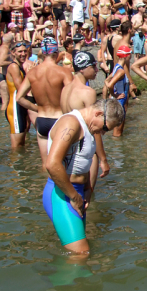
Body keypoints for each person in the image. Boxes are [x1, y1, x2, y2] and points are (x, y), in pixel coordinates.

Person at [43, 98, 124, 255]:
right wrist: (74, 196)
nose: (103, 133)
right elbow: (52, 164)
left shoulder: (89, 127)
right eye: (106, 128)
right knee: (80, 254)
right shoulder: (71, 124)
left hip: (77, 193)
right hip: (62, 194)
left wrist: (87, 189)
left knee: (77, 252)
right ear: (99, 113)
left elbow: (81, 161)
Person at [16, 37, 74, 171]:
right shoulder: (63, 72)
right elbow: (72, 95)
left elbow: (19, 98)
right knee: (63, 164)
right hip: (60, 120)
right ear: (56, 53)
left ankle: (47, 190)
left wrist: (36, 108)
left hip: (41, 120)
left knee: (46, 165)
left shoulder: (32, 72)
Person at [60, 51, 111, 190]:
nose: (96, 70)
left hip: (69, 148)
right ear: (82, 68)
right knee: (87, 194)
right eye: (93, 66)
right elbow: (94, 129)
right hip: (85, 147)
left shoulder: (65, 89)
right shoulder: (87, 92)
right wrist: (103, 159)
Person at [5, 41, 30, 147]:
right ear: (13, 53)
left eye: (25, 51)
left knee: (22, 144)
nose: (23, 54)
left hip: (21, 106)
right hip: (15, 108)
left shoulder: (20, 67)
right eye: (20, 52)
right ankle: (14, 163)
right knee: (17, 147)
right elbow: (21, 89)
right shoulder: (14, 67)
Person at [105, 45, 132, 137]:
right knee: (117, 132)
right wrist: (115, 95)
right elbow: (110, 84)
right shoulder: (121, 71)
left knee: (117, 131)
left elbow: (106, 80)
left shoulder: (116, 67)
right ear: (127, 56)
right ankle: (117, 149)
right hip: (119, 102)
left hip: (119, 102)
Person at [0, 33, 13, 112]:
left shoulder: (0, 48)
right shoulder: (5, 49)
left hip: (2, 76)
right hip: (1, 76)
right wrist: (13, 63)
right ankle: (3, 121)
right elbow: (1, 63)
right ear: (10, 41)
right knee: (5, 102)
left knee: (7, 101)